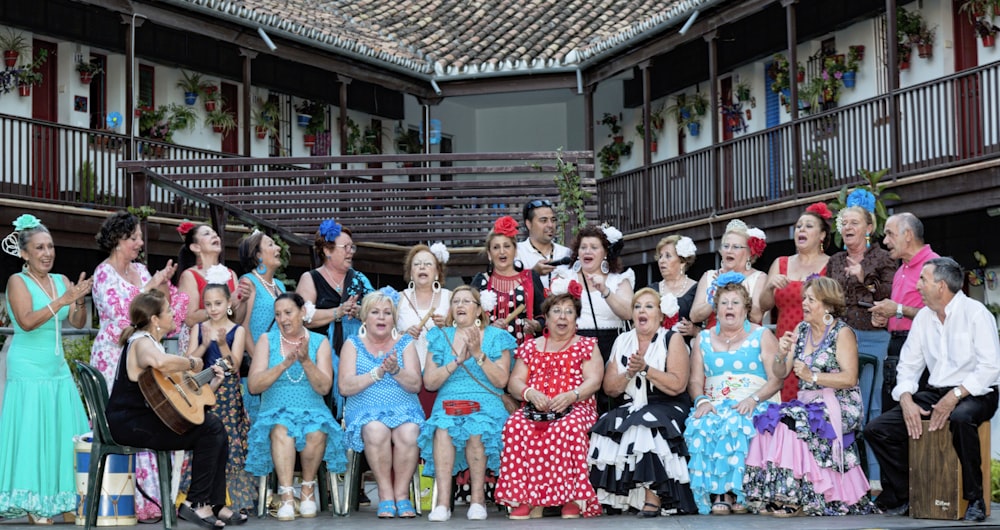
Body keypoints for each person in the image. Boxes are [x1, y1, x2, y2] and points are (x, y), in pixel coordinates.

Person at [865, 257, 1000, 523]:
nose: (917, 286)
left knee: (961, 418)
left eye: (923, 280)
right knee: (877, 430)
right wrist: (905, 399)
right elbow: (908, 366)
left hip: (977, 391)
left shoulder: (976, 313)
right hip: (936, 391)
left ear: (941, 286)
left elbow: (990, 368)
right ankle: (908, 493)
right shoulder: (924, 318)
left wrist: (956, 395)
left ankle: (975, 498)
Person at [105, 290, 243, 528]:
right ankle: (197, 502)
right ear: (155, 320)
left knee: (213, 428)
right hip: (130, 424)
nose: (173, 314)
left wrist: (213, 382)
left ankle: (214, 503)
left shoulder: (151, 342)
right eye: (168, 310)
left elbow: (175, 397)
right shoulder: (140, 342)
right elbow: (160, 363)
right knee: (211, 428)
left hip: (146, 420)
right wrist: (193, 362)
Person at [743, 277, 877, 516]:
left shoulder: (841, 332)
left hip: (840, 403)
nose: (804, 303)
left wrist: (813, 376)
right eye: (804, 298)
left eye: (810, 299)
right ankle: (778, 493)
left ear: (827, 305)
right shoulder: (801, 329)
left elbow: (849, 378)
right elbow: (781, 373)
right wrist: (781, 354)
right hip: (808, 404)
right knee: (770, 420)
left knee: (792, 421)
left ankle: (796, 498)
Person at [90, 211, 186, 521]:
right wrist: (152, 287)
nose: (140, 243)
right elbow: (126, 320)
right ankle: (123, 498)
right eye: (134, 237)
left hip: (147, 357)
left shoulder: (144, 271)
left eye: (140, 237)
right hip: (113, 357)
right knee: (128, 420)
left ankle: (153, 501)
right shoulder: (103, 274)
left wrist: (164, 288)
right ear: (118, 240)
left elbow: (161, 314)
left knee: (151, 417)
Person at [0, 214, 92, 524]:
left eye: (50, 246)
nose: (47, 253)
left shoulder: (62, 281)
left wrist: (78, 302)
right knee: (33, 436)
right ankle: (32, 503)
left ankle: (64, 498)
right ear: (24, 253)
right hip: (28, 368)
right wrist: (62, 300)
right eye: (39, 247)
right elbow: (25, 322)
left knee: (63, 435)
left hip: (57, 369)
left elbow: (76, 324)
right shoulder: (17, 281)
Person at [588, 287, 697, 517]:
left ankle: (654, 495)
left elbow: (678, 384)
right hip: (632, 404)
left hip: (668, 403)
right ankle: (622, 497)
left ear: (660, 314)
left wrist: (646, 370)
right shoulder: (622, 341)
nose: (642, 311)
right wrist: (630, 373)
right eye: (637, 306)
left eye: (649, 306)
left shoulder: (672, 338)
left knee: (645, 424)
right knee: (606, 424)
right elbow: (609, 388)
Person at [495, 292, 605, 519]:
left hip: (576, 406)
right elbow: (514, 382)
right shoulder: (530, 347)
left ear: (576, 318)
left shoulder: (586, 345)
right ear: (546, 317)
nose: (562, 316)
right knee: (515, 425)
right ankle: (525, 498)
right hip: (535, 408)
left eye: (569, 311)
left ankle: (572, 498)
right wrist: (529, 392)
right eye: (556, 311)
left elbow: (594, 381)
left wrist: (572, 395)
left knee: (569, 427)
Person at [684, 272, 783, 515]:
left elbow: (776, 379)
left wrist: (754, 399)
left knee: (736, 421)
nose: (730, 307)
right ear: (715, 309)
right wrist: (702, 400)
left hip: (755, 400)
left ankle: (743, 491)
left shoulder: (762, 335)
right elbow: (695, 380)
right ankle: (721, 492)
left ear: (746, 309)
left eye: (735, 303)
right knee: (702, 421)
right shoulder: (703, 338)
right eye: (724, 303)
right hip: (715, 401)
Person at [245, 292, 346, 521]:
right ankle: (287, 494)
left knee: (316, 431)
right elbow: (253, 386)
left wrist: (305, 361)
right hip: (275, 409)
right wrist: (284, 364)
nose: (283, 319)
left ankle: (308, 489)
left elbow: (324, 387)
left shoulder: (319, 342)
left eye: (288, 313)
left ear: (302, 313)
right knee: (282, 430)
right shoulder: (266, 340)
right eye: (278, 314)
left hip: (312, 407)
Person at [419, 286, 517, 521]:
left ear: (479, 309)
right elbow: (430, 383)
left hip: (486, 401)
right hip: (449, 400)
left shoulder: (496, 336)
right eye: (456, 301)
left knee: (477, 427)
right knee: (443, 428)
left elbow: (502, 380)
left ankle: (478, 500)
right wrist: (456, 361)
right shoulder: (439, 336)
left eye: (467, 301)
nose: (460, 305)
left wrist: (478, 354)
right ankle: (442, 503)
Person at [339, 289, 424, 519]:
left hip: (403, 406)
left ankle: (402, 494)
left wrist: (395, 370)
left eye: (387, 313)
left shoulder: (405, 343)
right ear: (365, 317)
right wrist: (376, 374)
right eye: (375, 312)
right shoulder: (352, 344)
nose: (381, 317)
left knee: (410, 431)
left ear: (393, 319)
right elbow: (344, 387)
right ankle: (385, 495)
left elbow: (416, 384)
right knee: (376, 430)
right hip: (365, 408)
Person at [825, 191, 895, 451]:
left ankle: (875, 473)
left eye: (854, 222)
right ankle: (848, 467)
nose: (847, 227)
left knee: (871, 402)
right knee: (842, 402)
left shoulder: (884, 258)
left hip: (873, 337)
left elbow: (890, 295)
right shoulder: (835, 261)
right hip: (841, 339)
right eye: (844, 223)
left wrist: (863, 276)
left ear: (868, 227)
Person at [184, 284, 255, 515]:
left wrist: (222, 342)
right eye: (209, 304)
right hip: (204, 390)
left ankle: (229, 500)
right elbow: (189, 361)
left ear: (228, 304)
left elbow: (234, 365)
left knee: (229, 440)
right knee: (205, 440)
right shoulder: (199, 328)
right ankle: (199, 496)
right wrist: (205, 344)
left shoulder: (238, 330)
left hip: (228, 392)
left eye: (218, 303)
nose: (213, 309)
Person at [297, 218, 374, 414]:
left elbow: (380, 309)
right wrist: (338, 312)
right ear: (327, 251)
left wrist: (361, 312)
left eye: (352, 247)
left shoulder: (359, 278)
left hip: (359, 358)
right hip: (322, 359)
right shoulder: (310, 278)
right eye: (345, 247)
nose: (351, 252)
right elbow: (303, 317)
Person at [759, 203, 832, 401]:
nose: (801, 229)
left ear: (822, 235)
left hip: (816, 342)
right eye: (799, 226)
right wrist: (769, 286)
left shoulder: (831, 264)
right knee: (783, 400)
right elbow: (763, 306)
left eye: (808, 226)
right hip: (784, 342)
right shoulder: (781, 262)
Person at [560, 223, 634, 414]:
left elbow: (628, 313)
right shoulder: (565, 277)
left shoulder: (618, 279)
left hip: (610, 343)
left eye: (594, 247)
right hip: (575, 344)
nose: (587, 251)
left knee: (609, 402)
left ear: (605, 253)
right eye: (583, 247)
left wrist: (605, 291)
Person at [870, 212, 938, 410]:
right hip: (896, 347)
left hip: (923, 350)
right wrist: (885, 316)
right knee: (892, 417)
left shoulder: (935, 265)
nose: (885, 241)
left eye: (890, 234)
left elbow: (940, 315)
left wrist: (897, 309)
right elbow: (900, 312)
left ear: (908, 234)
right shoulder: (901, 270)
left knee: (919, 418)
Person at [236, 229, 286, 423]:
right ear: (258, 255)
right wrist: (260, 363)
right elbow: (244, 326)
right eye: (271, 245)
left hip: (279, 363)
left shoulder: (279, 285)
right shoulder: (249, 281)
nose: (278, 248)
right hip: (260, 364)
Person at [471, 216, 544, 344]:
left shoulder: (530, 278)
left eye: (507, 246)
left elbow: (544, 316)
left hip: (525, 352)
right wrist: (488, 328)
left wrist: (536, 325)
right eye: (496, 247)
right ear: (489, 254)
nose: (502, 251)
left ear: (515, 250)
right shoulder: (480, 281)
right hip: (491, 353)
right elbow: (469, 319)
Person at [175, 222, 246, 353]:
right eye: (207, 234)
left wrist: (243, 301)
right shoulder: (190, 276)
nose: (215, 236)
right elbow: (190, 318)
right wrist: (225, 305)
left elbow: (236, 319)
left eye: (215, 234)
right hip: (197, 344)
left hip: (225, 341)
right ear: (195, 247)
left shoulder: (231, 274)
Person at [690, 219, 768, 327]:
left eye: (736, 247)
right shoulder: (709, 276)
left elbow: (756, 317)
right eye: (726, 246)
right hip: (713, 339)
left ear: (749, 253)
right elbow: (694, 316)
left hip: (747, 340)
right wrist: (717, 293)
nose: (729, 251)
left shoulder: (759, 277)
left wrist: (739, 289)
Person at [397, 243, 452, 372]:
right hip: (406, 371)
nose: (422, 267)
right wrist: (403, 335)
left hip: (442, 371)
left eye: (428, 264)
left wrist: (449, 325)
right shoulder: (398, 298)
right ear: (411, 273)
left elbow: (465, 331)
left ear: (437, 272)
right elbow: (385, 335)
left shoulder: (450, 297)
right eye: (416, 264)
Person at [516, 199, 571, 288]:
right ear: (528, 224)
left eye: (553, 220)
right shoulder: (517, 252)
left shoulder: (566, 253)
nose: (550, 225)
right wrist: (533, 274)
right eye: (543, 220)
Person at [655, 234, 700, 341]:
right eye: (660, 256)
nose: (661, 261)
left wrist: (695, 330)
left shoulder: (697, 289)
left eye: (668, 256)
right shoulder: (652, 290)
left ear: (682, 262)